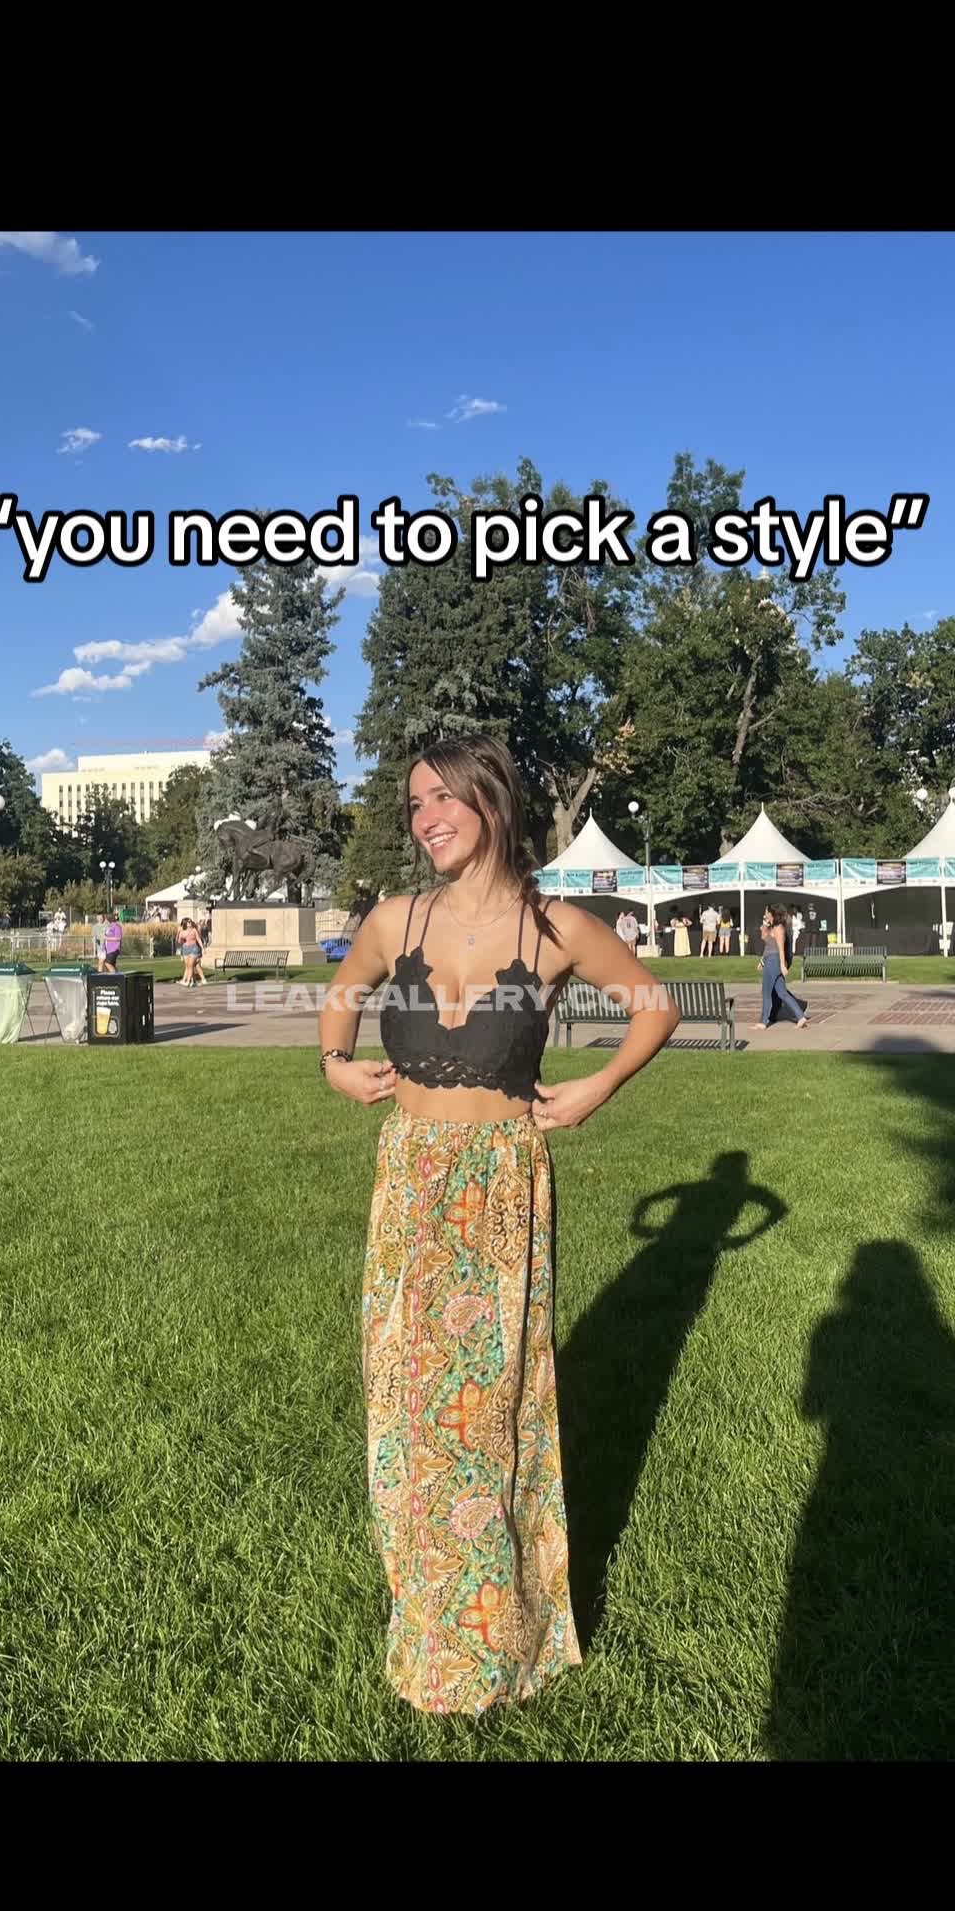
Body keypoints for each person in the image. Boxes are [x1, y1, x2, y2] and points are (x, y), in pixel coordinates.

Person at [318, 733, 681, 1717]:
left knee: (489, 1413)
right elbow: (340, 1002)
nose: (426, 818)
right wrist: (335, 1065)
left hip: (502, 1184)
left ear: (491, 799)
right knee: (405, 1406)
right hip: (411, 1179)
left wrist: (599, 1086)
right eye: (414, 803)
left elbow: (653, 1007)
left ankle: (500, 1635)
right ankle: (428, 1622)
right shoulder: (394, 920)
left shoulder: (556, 927)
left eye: (443, 797)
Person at [757, 904, 809, 1030]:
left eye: (766, 912)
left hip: (773, 961)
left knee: (766, 992)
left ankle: (763, 1022)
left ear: (772, 913)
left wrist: (782, 965)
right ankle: (801, 1017)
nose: (765, 914)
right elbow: (765, 940)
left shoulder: (779, 928)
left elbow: (780, 949)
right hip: (769, 960)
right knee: (782, 992)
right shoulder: (772, 927)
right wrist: (762, 961)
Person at [178, 917, 207, 986]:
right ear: (185, 923)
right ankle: (193, 981)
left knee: (191, 965)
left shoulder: (194, 930)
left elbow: (198, 939)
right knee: (188, 966)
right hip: (185, 949)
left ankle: (188, 981)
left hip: (194, 948)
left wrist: (203, 948)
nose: (190, 923)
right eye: (188, 922)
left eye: (190, 922)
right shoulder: (182, 931)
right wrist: (179, 934)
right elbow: (180, 942)